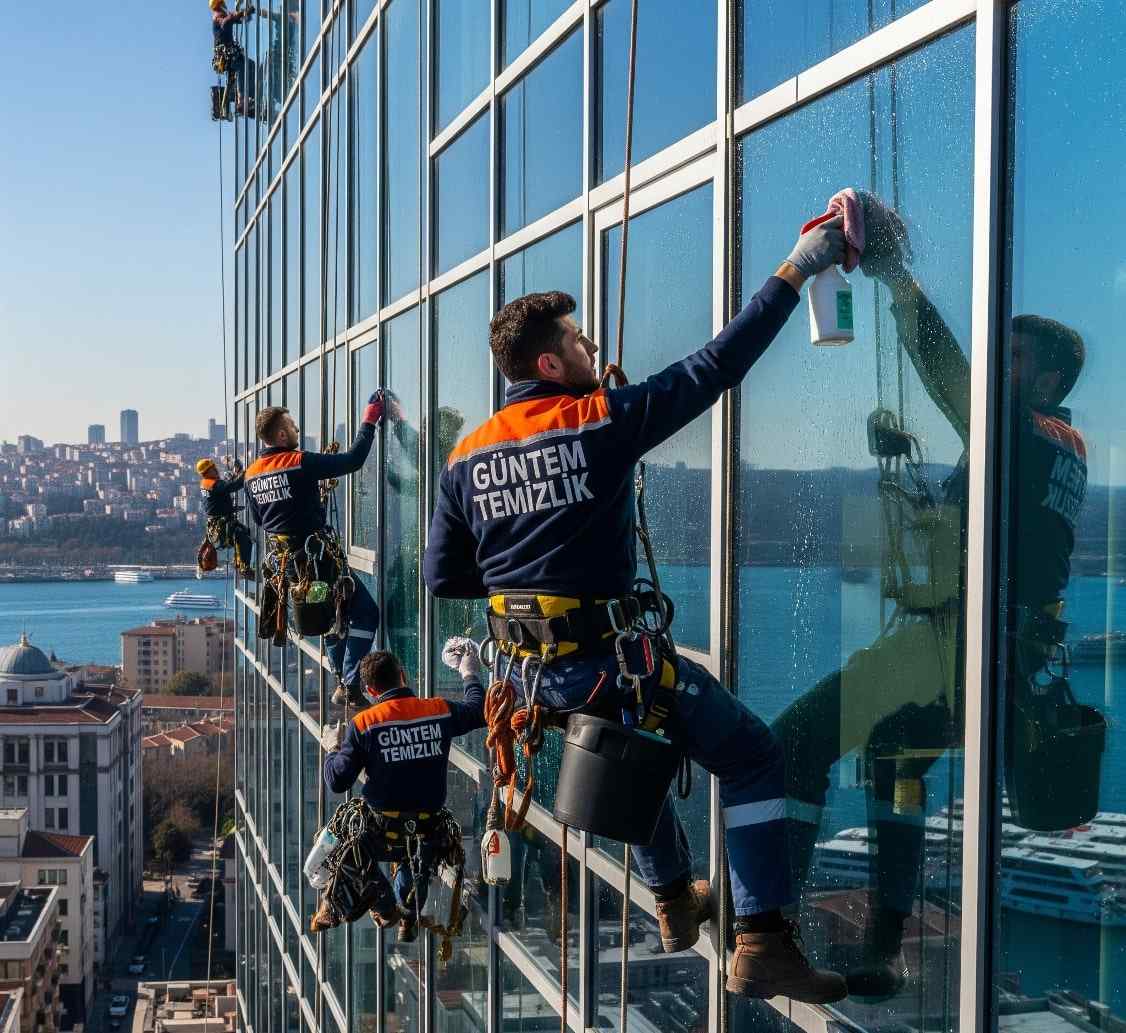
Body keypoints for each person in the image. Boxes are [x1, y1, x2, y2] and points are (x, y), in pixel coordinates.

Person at [423, 215, 852, 1003]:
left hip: (529, 679)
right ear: (551, 360)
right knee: (753, 752)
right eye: (580, 344)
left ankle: (671, 897)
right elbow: (718, 364)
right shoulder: (599, 421)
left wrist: (529, 555)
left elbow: (444, 577)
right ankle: (763, 940)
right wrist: (803, 263)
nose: (592, 352)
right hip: (602, 664)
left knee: (638, 731)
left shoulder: (465, 455)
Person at [773, 193, 1088, 998]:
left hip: (954, 646)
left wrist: (895, 276)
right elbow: (981, 529)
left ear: (1048, 378)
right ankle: (883, 945)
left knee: (797, 739)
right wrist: (909, 467)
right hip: (1003, 659)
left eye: (1014, 361)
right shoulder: (1060, 451)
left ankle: (767, 923)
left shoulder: (1025, 434)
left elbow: (955, 384)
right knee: (894, 758)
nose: (998, 371)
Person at [319, 643, 486, 940]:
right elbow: (478, 711)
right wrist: (468, 673)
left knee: (346, 839)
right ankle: (408, 911)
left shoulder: (365, 723)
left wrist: (332, 746)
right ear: (403, 675)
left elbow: (337, 781)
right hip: (427, 823)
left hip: (381, 829)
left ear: (370, 691)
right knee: (416, 854)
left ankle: (385, 907)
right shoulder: (437, 710)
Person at [243, 395, 385, 706]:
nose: (296, 430)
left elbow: (260, 519)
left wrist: (307, 500)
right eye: (292, 426)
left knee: (329, 620)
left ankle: (342, 679)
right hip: (319, 564)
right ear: (281, 435)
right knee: (365, 613)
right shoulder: (299, 461)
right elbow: (352, 460)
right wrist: (370, 421)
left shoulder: (251, 475)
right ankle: (349, 681)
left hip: (291, 569)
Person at [196, 458, 255, 578]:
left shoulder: (206, 483)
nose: (216, 470)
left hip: (217, 522)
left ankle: (240, 563)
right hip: (221, 524)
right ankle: (244, 568)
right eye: (213, 469)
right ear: (207, 472)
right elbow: (233, 486)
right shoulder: (213, 484)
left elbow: (216, 499)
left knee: (244, 534)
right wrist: (246, 472)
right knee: (243, 537)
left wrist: (230, 509)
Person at [210, 0, 258, 118]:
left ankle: (247, 97)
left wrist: (245, 15)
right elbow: (227, 22)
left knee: (250, 65)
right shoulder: (218, 16)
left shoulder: (223, 15)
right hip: (228, 55)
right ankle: (242, 100)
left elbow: (236, 19)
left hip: (230, 54)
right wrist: (243, 13)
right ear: (220, 4)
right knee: (242, 67)